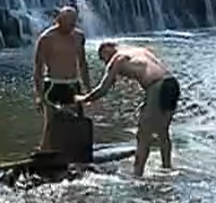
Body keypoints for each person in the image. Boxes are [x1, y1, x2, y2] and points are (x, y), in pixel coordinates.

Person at [75, 42, 181, 177]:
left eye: (103, 58)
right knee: (162, 131)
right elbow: (148, 71)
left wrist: (84, 99)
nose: (105, 62)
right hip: (171, 83)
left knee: (143, 135)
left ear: (107, 51)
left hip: (157, 87)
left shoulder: (117, 59)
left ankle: (137, 175)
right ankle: (167, 168)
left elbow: (103, 89)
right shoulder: (139, 51)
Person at [33, 6, 92, 151]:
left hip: (73, 84)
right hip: (54, 85)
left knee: (77, 121)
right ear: (58, 20)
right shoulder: (46, 38)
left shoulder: (79, 36)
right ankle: (45, 154)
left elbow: (83, 64)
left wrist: (89, 90)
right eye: (68, 22)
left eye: (73, 22)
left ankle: (73, 155)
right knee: (51, 125)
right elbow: (38, 69)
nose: (71, 25)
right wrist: (39, 96)